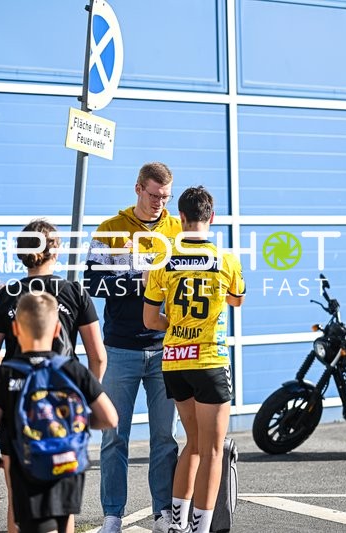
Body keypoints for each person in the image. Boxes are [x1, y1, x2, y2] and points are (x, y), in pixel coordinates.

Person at [0, 219, 107, 533]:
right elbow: (98, 356)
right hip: (63, 406)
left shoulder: (6, 295)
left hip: (19, 404)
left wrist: (3, 392)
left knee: (17, 499)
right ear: (56, 250)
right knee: (65, 503)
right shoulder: (74, 292)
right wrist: (84, 397)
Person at [84, 162, 182, 533]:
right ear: (138, 188)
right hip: (120, 348)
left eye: (165, 197)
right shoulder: (110, 229)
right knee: (114, 437)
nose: (159, 203)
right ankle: (113, 516)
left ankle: (162, 513)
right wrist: (136, 277)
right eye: (154, 195)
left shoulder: (177, 230)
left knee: (164, 438)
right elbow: (92, 283)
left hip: (166, 348)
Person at [142, 186, 246, 533]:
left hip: (174, 361)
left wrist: (176, 322)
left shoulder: (163, 260)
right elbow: (237, 300)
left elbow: (150, 320)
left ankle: (177, 524)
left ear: (181, 217)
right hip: (210, 361)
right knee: (213, 450)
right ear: (211, 217)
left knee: (194, 444)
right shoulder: (227, 260)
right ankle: (200, 529)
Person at [0, 292, 118, 533]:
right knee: (63, 523)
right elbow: (110, 418)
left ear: (16, 329)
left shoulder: (5, 374)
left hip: (27, 467)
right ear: (57, 330)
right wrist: (73, 422)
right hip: (68, 466)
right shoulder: (73, 369)